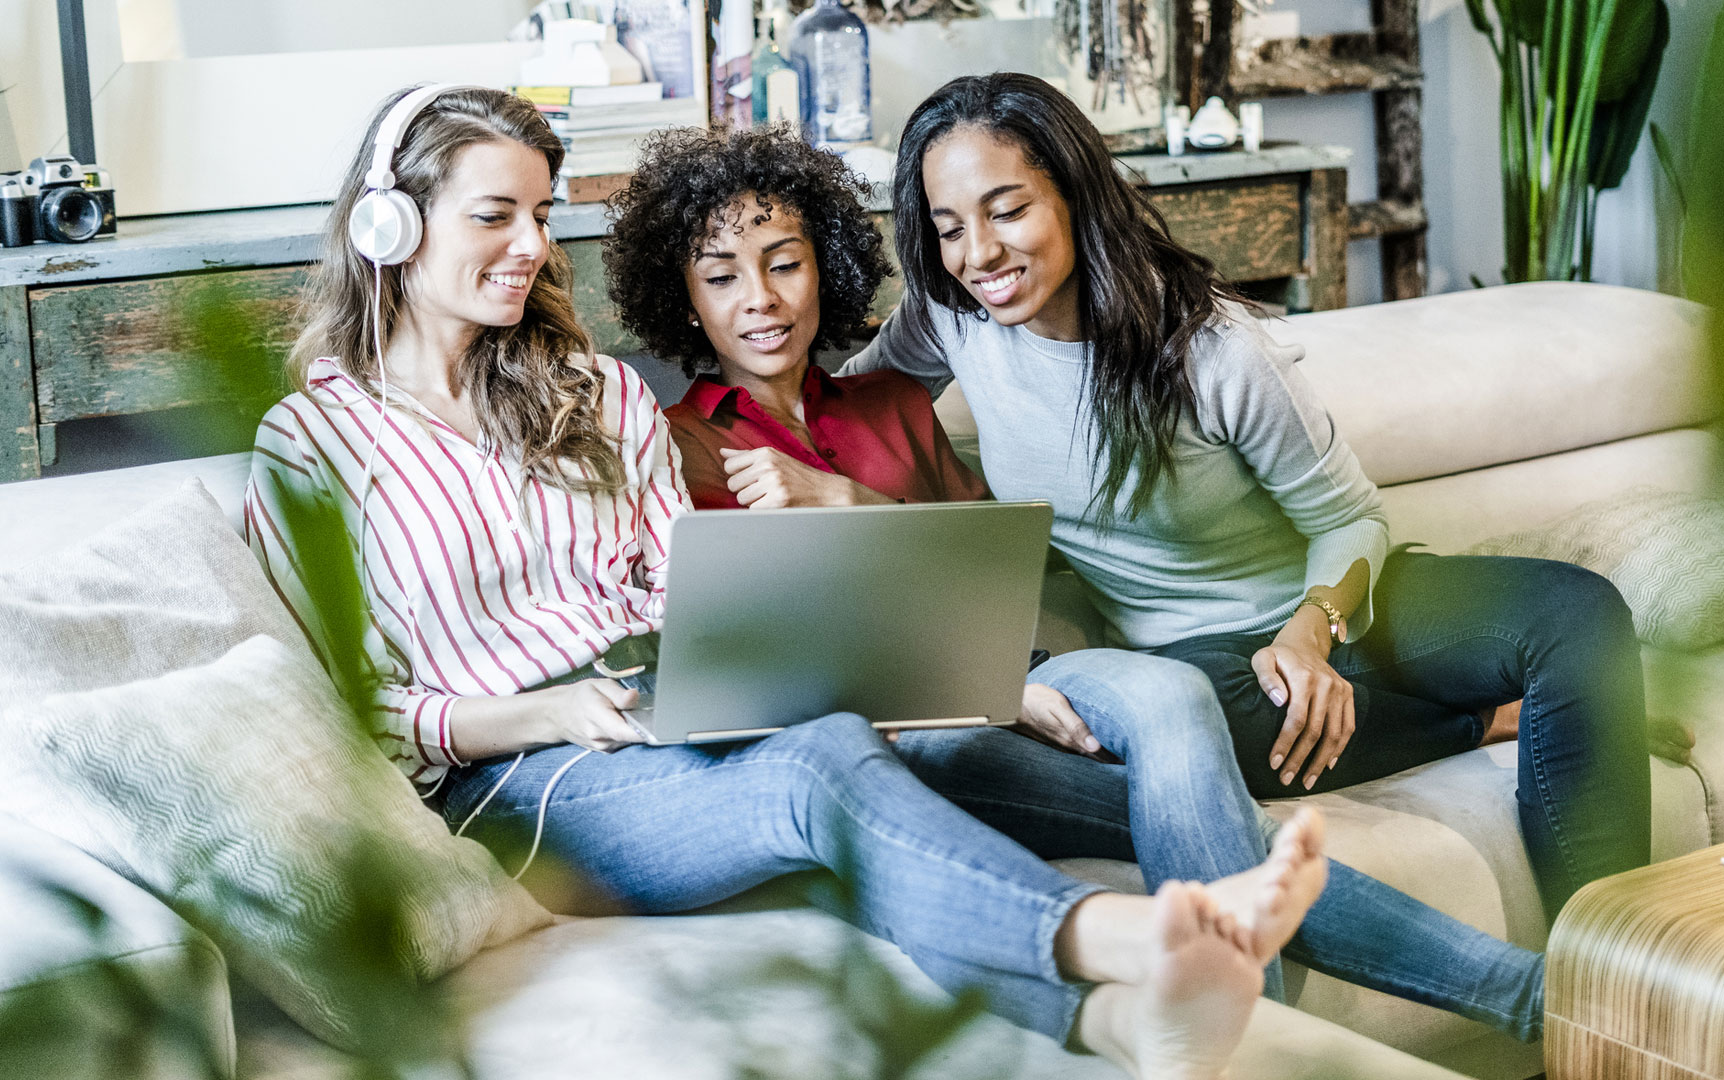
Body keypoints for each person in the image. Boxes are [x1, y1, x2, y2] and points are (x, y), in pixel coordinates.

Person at [240, 84, 1330, 1079]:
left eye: (540, 213)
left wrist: (838, 663)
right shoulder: (314, 444)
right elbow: (347, 709)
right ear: (391, 223)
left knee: (1037, 795)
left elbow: (691, 586)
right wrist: (534, 709)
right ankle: (1132, 938)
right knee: (823, 767)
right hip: (525, 779)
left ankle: (1150, 1015)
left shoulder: (595, 393)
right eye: (497, 215)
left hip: (677, 710)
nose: (533, 246)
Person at [602, 123, 1547, 1043]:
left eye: (784, 263)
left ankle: (1275, 1038)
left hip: (1028, 666)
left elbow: (991, 565)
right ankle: (1512, 1002)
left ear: (826, 269)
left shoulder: (890, 398)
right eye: (721, 278)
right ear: (684, 302)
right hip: (905, 733)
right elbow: (760, 672)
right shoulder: (676, 449)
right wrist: (997, 690)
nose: (761, 299)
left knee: (1175, 692)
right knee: (1215, 834)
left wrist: (853, 503)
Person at [843, 72, 1653, 919]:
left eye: (1007, 210)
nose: (979, 254)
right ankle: (1482, 717)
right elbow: (836, 411)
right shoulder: (951, 320)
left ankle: (1611, 964)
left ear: (1075, 196)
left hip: (1328, 613)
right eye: (948, 229)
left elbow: (1347, 517)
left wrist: (1309, 636)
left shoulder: (1215, 349)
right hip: (1193, 666)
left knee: (1578, 613)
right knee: (1184, 728)